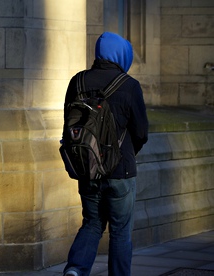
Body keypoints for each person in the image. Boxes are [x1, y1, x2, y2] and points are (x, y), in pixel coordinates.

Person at [62, 32, 149, 276]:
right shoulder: (129, 85)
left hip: (86, 168)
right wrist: (128, 152)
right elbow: (141, 132)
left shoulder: (77, 81)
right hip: (120, 172)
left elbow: (69, 126)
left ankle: (76, 270)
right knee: (121, 231)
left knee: (91, 223)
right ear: (122, 54)